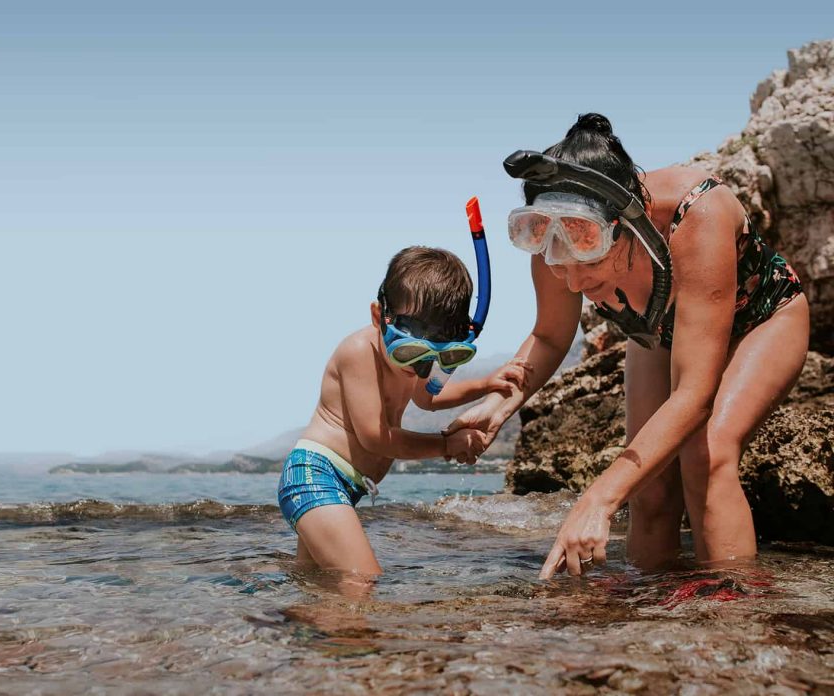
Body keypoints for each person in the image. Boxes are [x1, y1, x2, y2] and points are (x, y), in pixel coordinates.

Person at [446, 113, 809, 579]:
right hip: (657, 331)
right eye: (561, 266)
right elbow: (551, 336)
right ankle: (647, 600)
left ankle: (731, 603)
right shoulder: (555, 234)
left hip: (762, 317)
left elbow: (695, 395)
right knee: (649, 486)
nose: (574, 282)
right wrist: (500, 403)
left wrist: (597, 499)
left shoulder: (698, 212)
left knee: (706, 454)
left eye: (589, 260)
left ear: (626, 221)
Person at [278, 245, 531, 594]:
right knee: (361, 581)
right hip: (315, 476)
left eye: (434, 355)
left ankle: (288, 627)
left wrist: (485, 384)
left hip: (345, 485)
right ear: (378, 316)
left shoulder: (411, 360)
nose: (420, 367)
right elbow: (375, 437)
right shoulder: (360, 352)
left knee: (317, 587)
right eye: (410, 352)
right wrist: (445, 446)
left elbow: (429, 398)